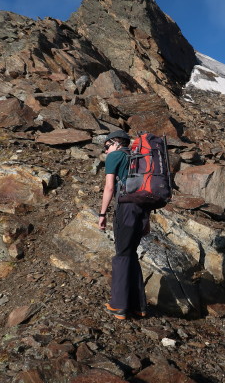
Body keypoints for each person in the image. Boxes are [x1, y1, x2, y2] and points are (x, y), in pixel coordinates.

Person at [98, 130, 149, 320]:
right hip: (142, 210)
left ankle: (118, 306)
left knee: (122, 254)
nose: (106, 151)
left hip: (126, 208)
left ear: (115, 143)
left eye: (106, 146)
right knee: (131, 254)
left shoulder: (115, 156)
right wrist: (147, 220)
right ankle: (138, 306)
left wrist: (102, 214)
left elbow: (109, 187)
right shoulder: (139, 158)